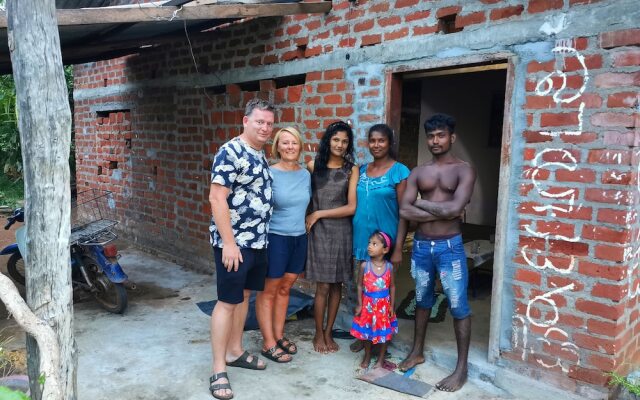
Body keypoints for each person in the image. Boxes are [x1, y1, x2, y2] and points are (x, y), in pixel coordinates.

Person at [398, 114, 476, 392]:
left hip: (449, 248)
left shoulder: (464, 170)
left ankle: (461, 368)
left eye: (441, 135)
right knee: (421, 300)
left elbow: (455, 210)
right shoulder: (418, 172)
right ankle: (417, 350)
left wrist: (422, 204)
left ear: (451, 137)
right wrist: (443, 210)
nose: (435, 141)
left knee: (458, 305)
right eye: (431, 136)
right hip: (420, 247)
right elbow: (404, 210)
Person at [208, 99, 276, 400]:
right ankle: (218, 368)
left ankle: (235, 351)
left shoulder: (260, 154)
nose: (265, 127)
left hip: (259, 241)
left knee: (245, 296)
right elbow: (216, 198)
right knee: (226, 301)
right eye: (259, 121)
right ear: (245, 121)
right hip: (235, 244)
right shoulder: (230, 151)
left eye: (269, 123)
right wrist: (230, 243)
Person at [350, 123, 410, 353]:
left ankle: (382, 336)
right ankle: (364, 334)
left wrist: (397, 249)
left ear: (389, 143)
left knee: (383, 291)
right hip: (361, 240)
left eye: (381, 140)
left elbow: (405, 213)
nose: (376, 145)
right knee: (362, 288)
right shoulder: (362, 170)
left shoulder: (399, 171)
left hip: (386, 243)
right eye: (372, 140)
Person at [256, 127, 311, 363]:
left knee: (286, 288)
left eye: (294, 143)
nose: (290, 147)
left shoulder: (306, 174)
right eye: (285, 143)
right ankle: (268, 342)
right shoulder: (269, 173)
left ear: (300, 146)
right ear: (277, 147)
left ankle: (279, 335)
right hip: (276, 238)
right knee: (269, 290)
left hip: (299, 237)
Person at [305, 120, 359, 354]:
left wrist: (318, 213)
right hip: (319, 233)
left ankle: (329, 331)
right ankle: (318, 332)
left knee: (337, 284)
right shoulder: (312, 166)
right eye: (336, 139)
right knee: (323, 286)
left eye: (345, 141)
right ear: (328, 140)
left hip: (341, 232)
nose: (340, 144)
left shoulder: (352, 169)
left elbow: (351, 207)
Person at [350, 230, 398, 369]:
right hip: (368, 306)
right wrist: (360, 304)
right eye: (369, 243)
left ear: (385, 249)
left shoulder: (389, 267)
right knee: (367, 333)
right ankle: (367, 355)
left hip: (383, 307)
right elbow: (359, 285)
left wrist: (391, 306)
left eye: (375, 244)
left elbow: (393, 287)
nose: (370, 246)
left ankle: (380, 359)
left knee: (384, 334)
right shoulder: (365, 266)